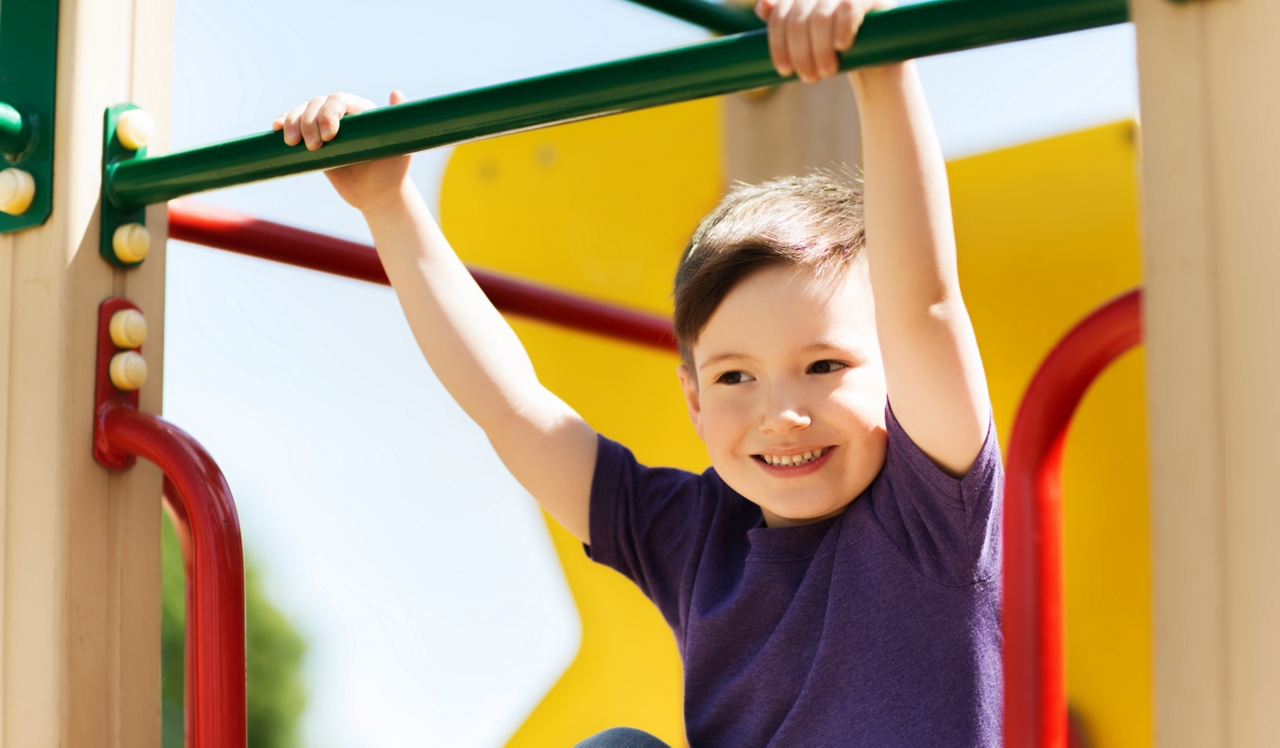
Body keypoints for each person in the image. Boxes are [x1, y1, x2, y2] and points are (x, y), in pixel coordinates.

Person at [274, 0, 1000, 744]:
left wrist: (882, 76)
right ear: (691, 397)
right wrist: (390, 207)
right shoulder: (695, 538)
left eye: (823, 365)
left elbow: (926, 307)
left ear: (892, 372)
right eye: (734, 378)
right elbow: (512, 409)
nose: (781, 412)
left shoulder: (933, 514)